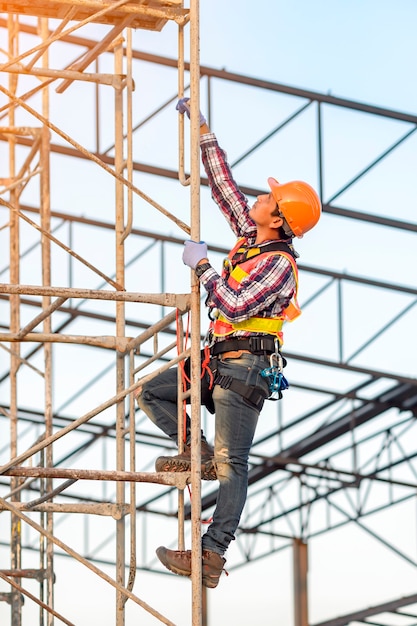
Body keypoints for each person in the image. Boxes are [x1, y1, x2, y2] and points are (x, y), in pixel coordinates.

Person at [136, 98, 321, 588]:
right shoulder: (252, 238)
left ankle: (211, 555)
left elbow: (236, 304)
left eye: (267, 200)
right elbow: (224, 190)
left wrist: (201, 267)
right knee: (153, 393)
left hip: (244, 369)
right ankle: (190, 449)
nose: (257, 199)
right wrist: (203, 131)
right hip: (219, 360)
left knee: (231, 463)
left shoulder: (278, 263)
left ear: (278, 220)